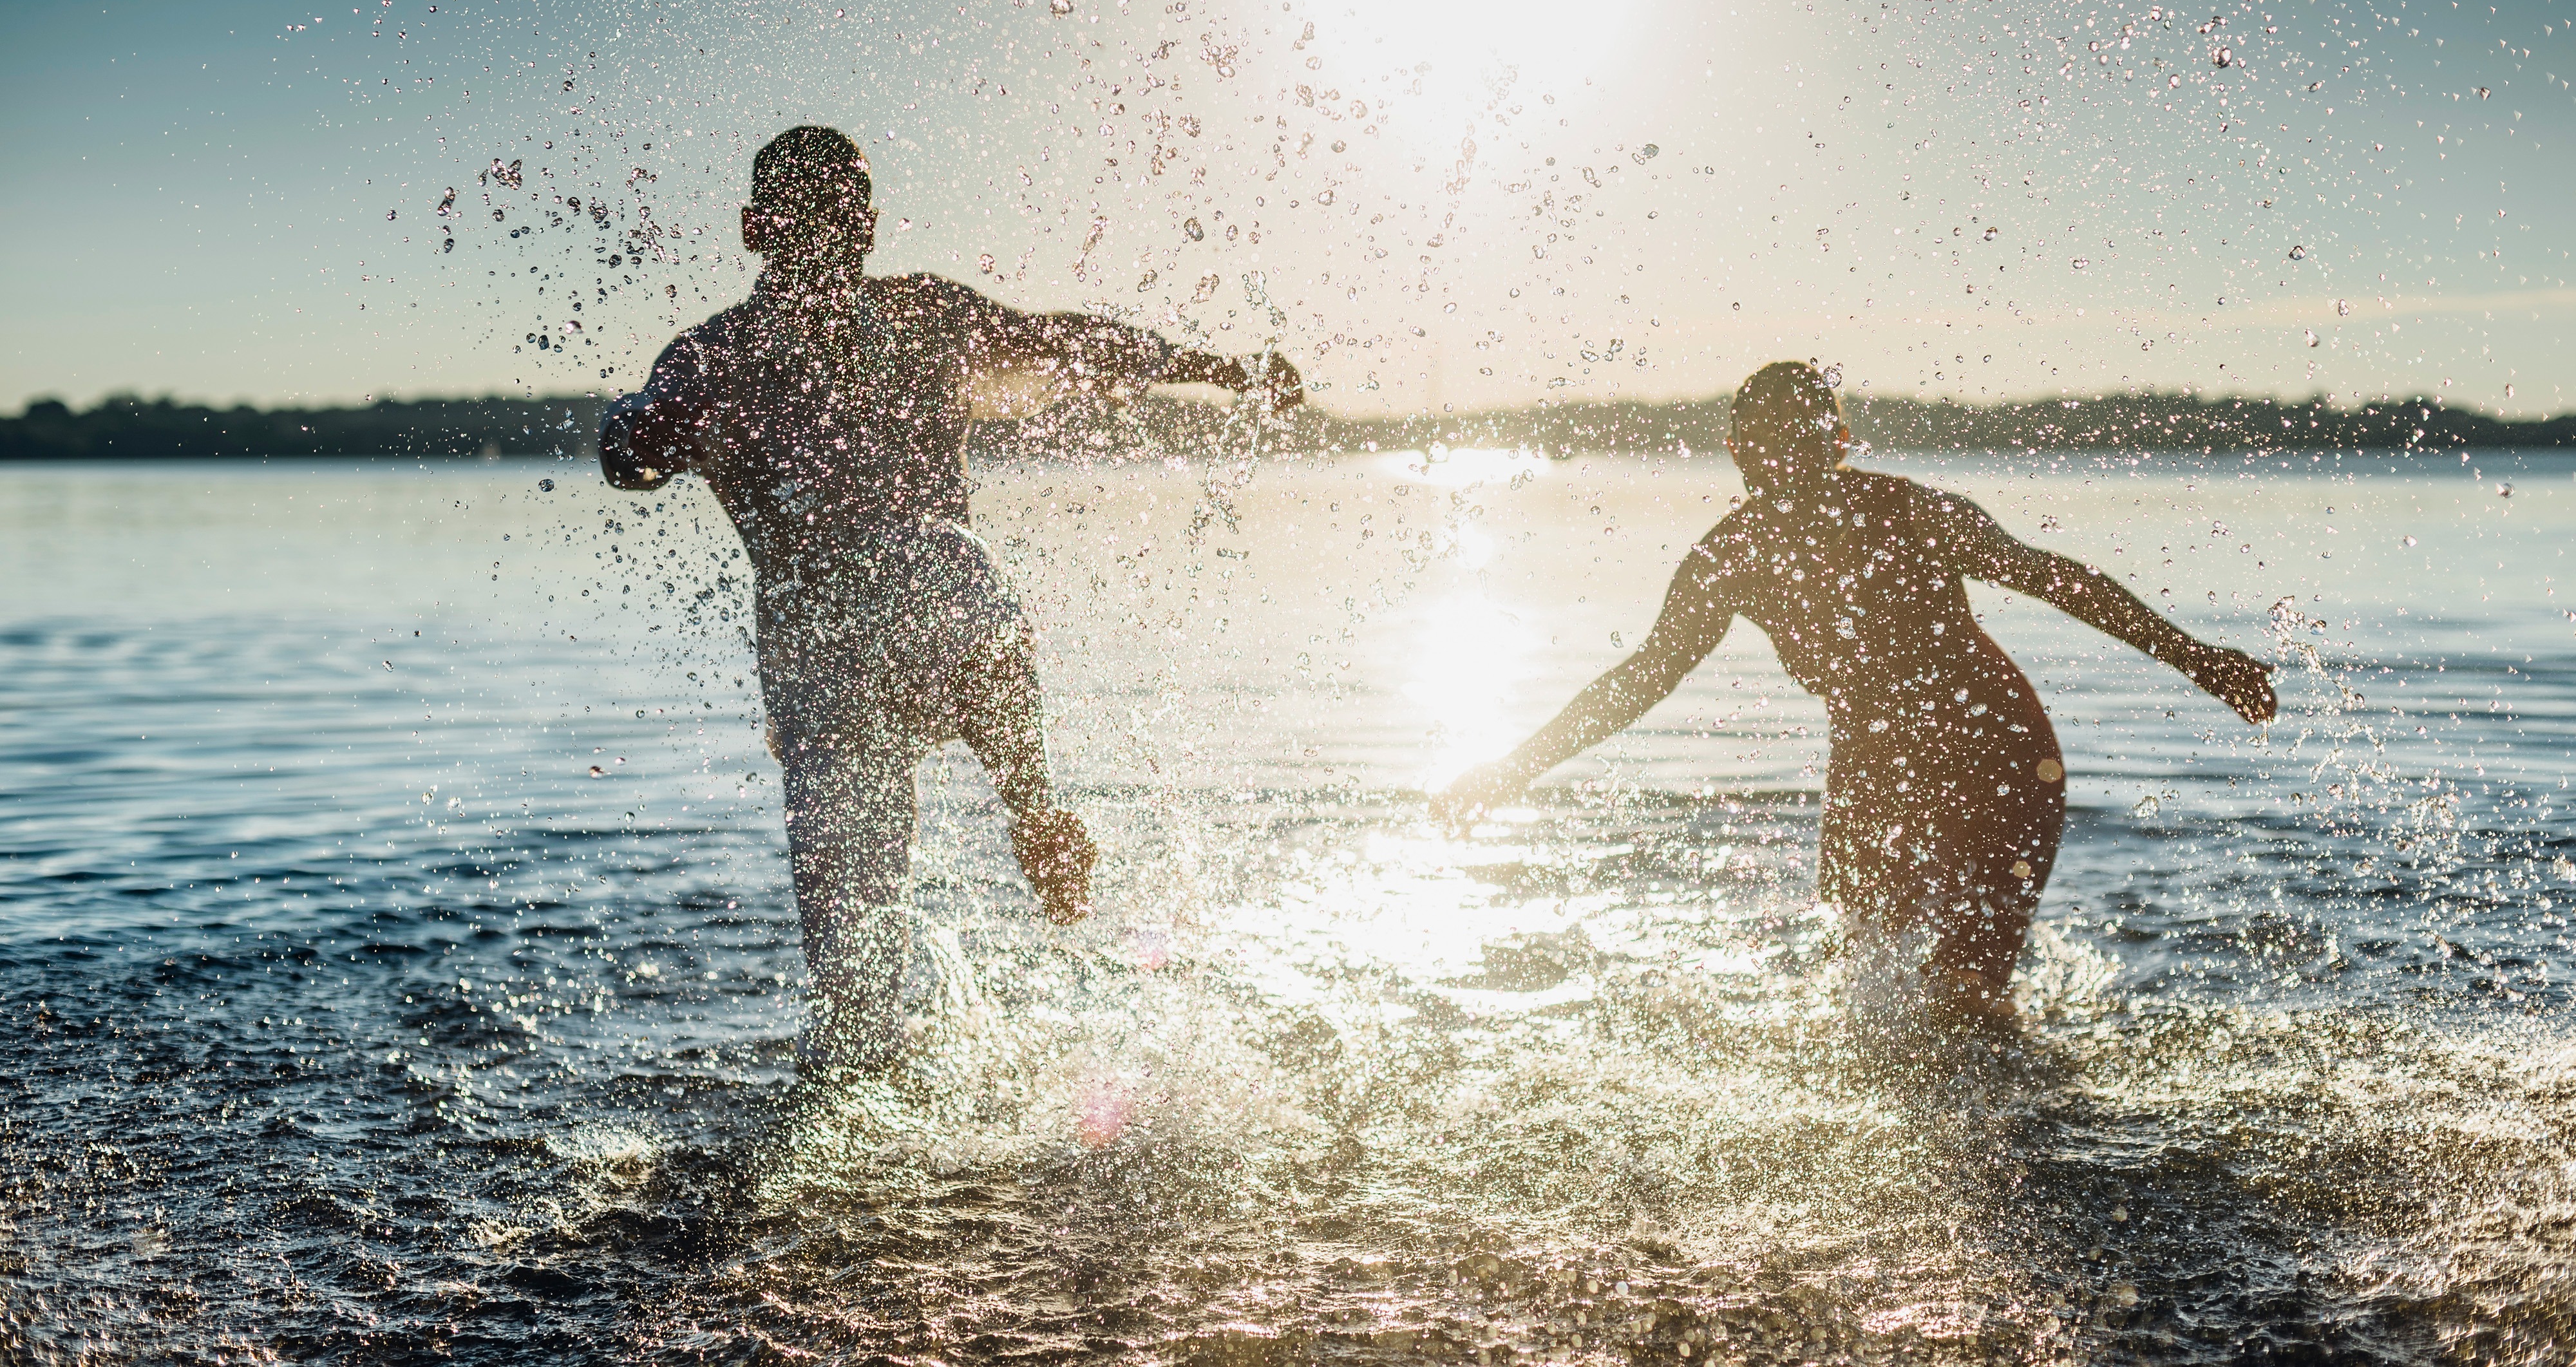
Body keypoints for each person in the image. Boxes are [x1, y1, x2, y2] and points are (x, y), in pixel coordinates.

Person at [601, 125, 1301, 1073]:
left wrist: (1215, 372)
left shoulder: (898, 324)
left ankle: (1031, 809)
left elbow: (1073, 342)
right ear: (760, 227)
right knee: (853, 998)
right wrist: (644, 437)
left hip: (888, 633)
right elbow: (624, 451)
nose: (831, 240)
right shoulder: (718, 360)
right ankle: (1029, 816)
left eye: (841, 220)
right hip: (844, 664)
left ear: (861, 229)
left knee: (940, 567)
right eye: (817, 219)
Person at [1437, 361, 2275, 1019]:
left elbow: (2056, 579)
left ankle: (2017, 1155)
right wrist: (1511, 768)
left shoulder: (1910, 513)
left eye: (1804, 439)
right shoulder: (1731, 558)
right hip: (1877, 767)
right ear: (1740, 452)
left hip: (1999, 757)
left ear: (1835, 442)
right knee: (1865, 991)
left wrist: (2198, 658)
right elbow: (1641, 680)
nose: (1788, 460)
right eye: (1769, 442)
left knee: (1962, 997)